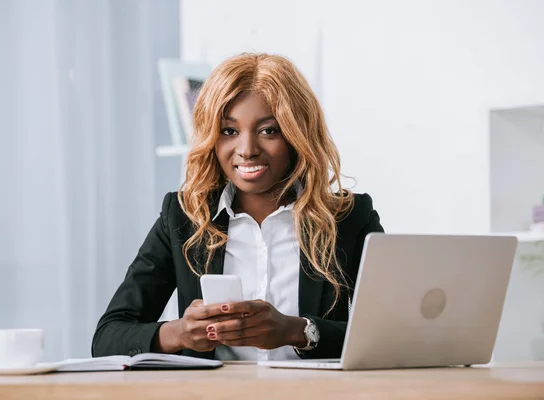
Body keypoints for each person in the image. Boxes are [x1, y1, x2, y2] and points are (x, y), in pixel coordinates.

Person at [91, 53, 384, 361]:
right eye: (229, 131)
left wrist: (297, 330)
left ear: (297, 134)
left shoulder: (348, 219)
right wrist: (180, 333)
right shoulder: (183, 218)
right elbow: (108, 338)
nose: (247, 150)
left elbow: (390, 335)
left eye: (268, 130)